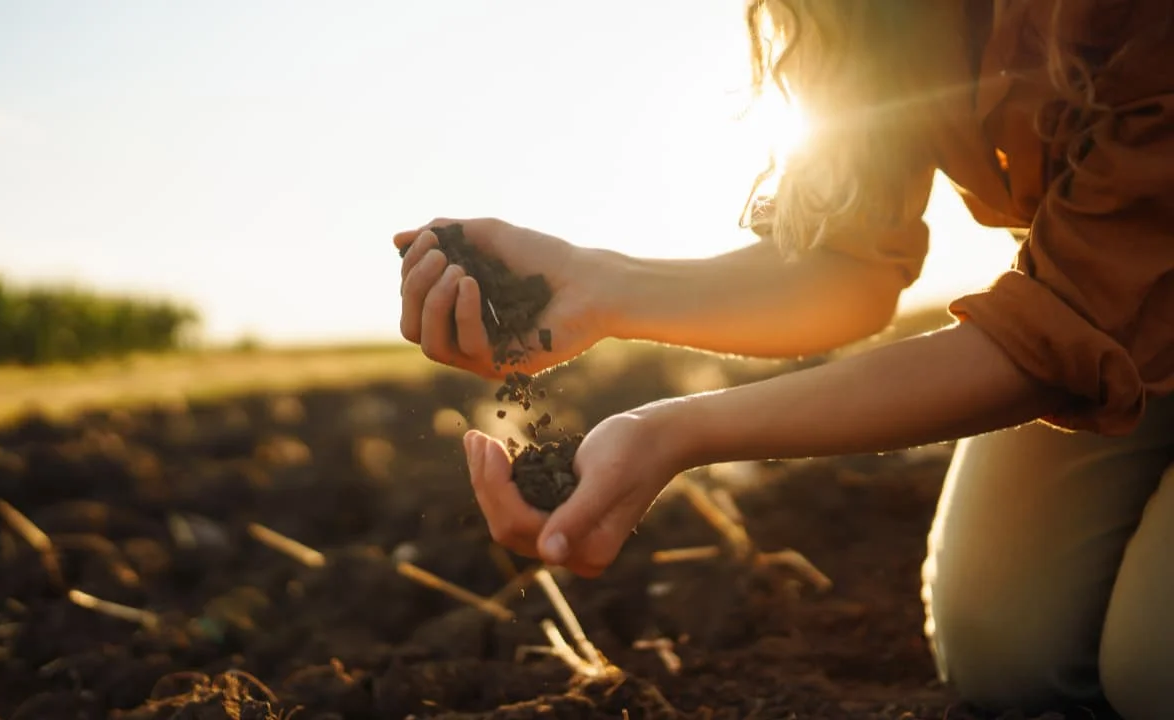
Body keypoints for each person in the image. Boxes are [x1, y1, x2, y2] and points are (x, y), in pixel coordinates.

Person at [392, 1, 1174, 718]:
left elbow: (1049, 341)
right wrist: (604, 286)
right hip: (1118, 319)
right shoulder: (858, 16)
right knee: (1006, 655)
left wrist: (678, 433)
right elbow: (846, 263)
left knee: (1152, 672)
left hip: (1100, 315)